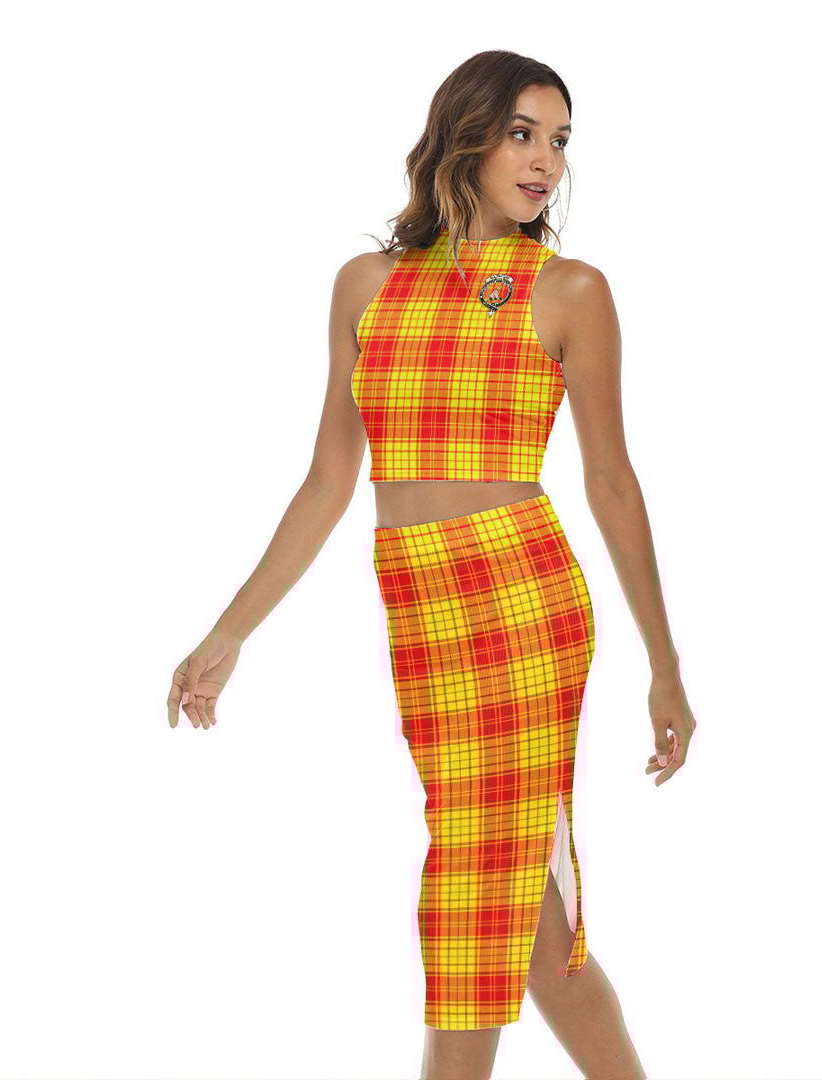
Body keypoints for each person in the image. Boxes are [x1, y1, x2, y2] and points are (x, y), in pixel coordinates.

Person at [167, 49, 696, 1080]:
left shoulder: (570, 291)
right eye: (522, 134)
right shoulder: (367, 285)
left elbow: (612, 482)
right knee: (526, 924)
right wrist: (229, 632)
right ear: (465, 135)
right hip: (419, 606)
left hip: (521, 602)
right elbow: (329, 481)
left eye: (560, 141)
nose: (546, 161)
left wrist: (664, 666)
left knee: (469, 893)